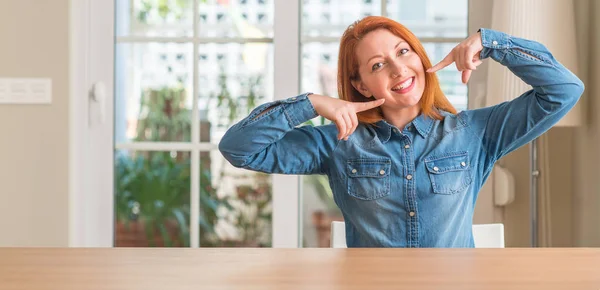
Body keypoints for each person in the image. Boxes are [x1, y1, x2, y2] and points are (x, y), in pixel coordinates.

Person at [218, 16, 584, 248]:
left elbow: (564, 91)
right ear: (361, 86)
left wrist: (490, 43)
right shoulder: (337, 142)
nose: (398, 69)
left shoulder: (474, 132)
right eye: (378, 64)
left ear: (420, 58)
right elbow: (239, 148)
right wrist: (310, 103)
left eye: (404, 51)